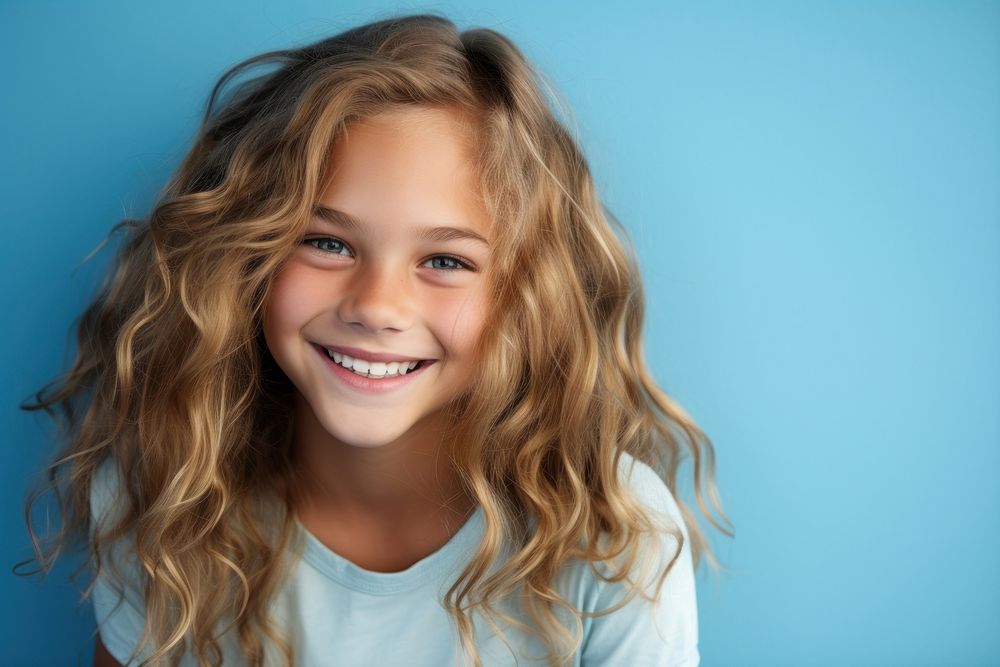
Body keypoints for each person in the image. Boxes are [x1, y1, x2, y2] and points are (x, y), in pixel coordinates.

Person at [18, 13, 732, 667]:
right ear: (242, 255)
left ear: (527, 295)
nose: (377, 306)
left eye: (445, 261)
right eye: (326, 242)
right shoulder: (164, 491)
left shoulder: (610, 531)